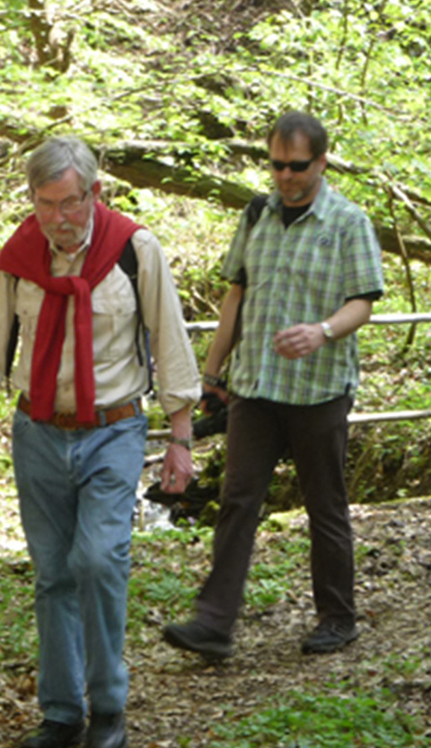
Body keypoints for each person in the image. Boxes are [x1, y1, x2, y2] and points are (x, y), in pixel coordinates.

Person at [0, 136, 199, 748]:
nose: (58, 218)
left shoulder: (135, 250)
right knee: (54, 574)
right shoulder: (19, 256)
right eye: (44, 203)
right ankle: (61, 713)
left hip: (113, 429)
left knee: (98, 560)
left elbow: (169, 340)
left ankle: (108, 705)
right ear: (32, 201)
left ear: (95, 194)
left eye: (70, 202)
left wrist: (181, 438)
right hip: (37, 433)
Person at [162, 111, 384, 660]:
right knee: (237, 500)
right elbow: (235, 295)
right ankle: (213, 624)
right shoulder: (258, 214)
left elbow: (365, 301)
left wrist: (323, 331)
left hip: (319, 388)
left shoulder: (348, 221)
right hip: (255, 387)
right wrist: (212, 377)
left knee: (324, 504)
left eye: (297, 166)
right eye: (278, 165)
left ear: (322, 162)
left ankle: (337, 616)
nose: (286, 176)